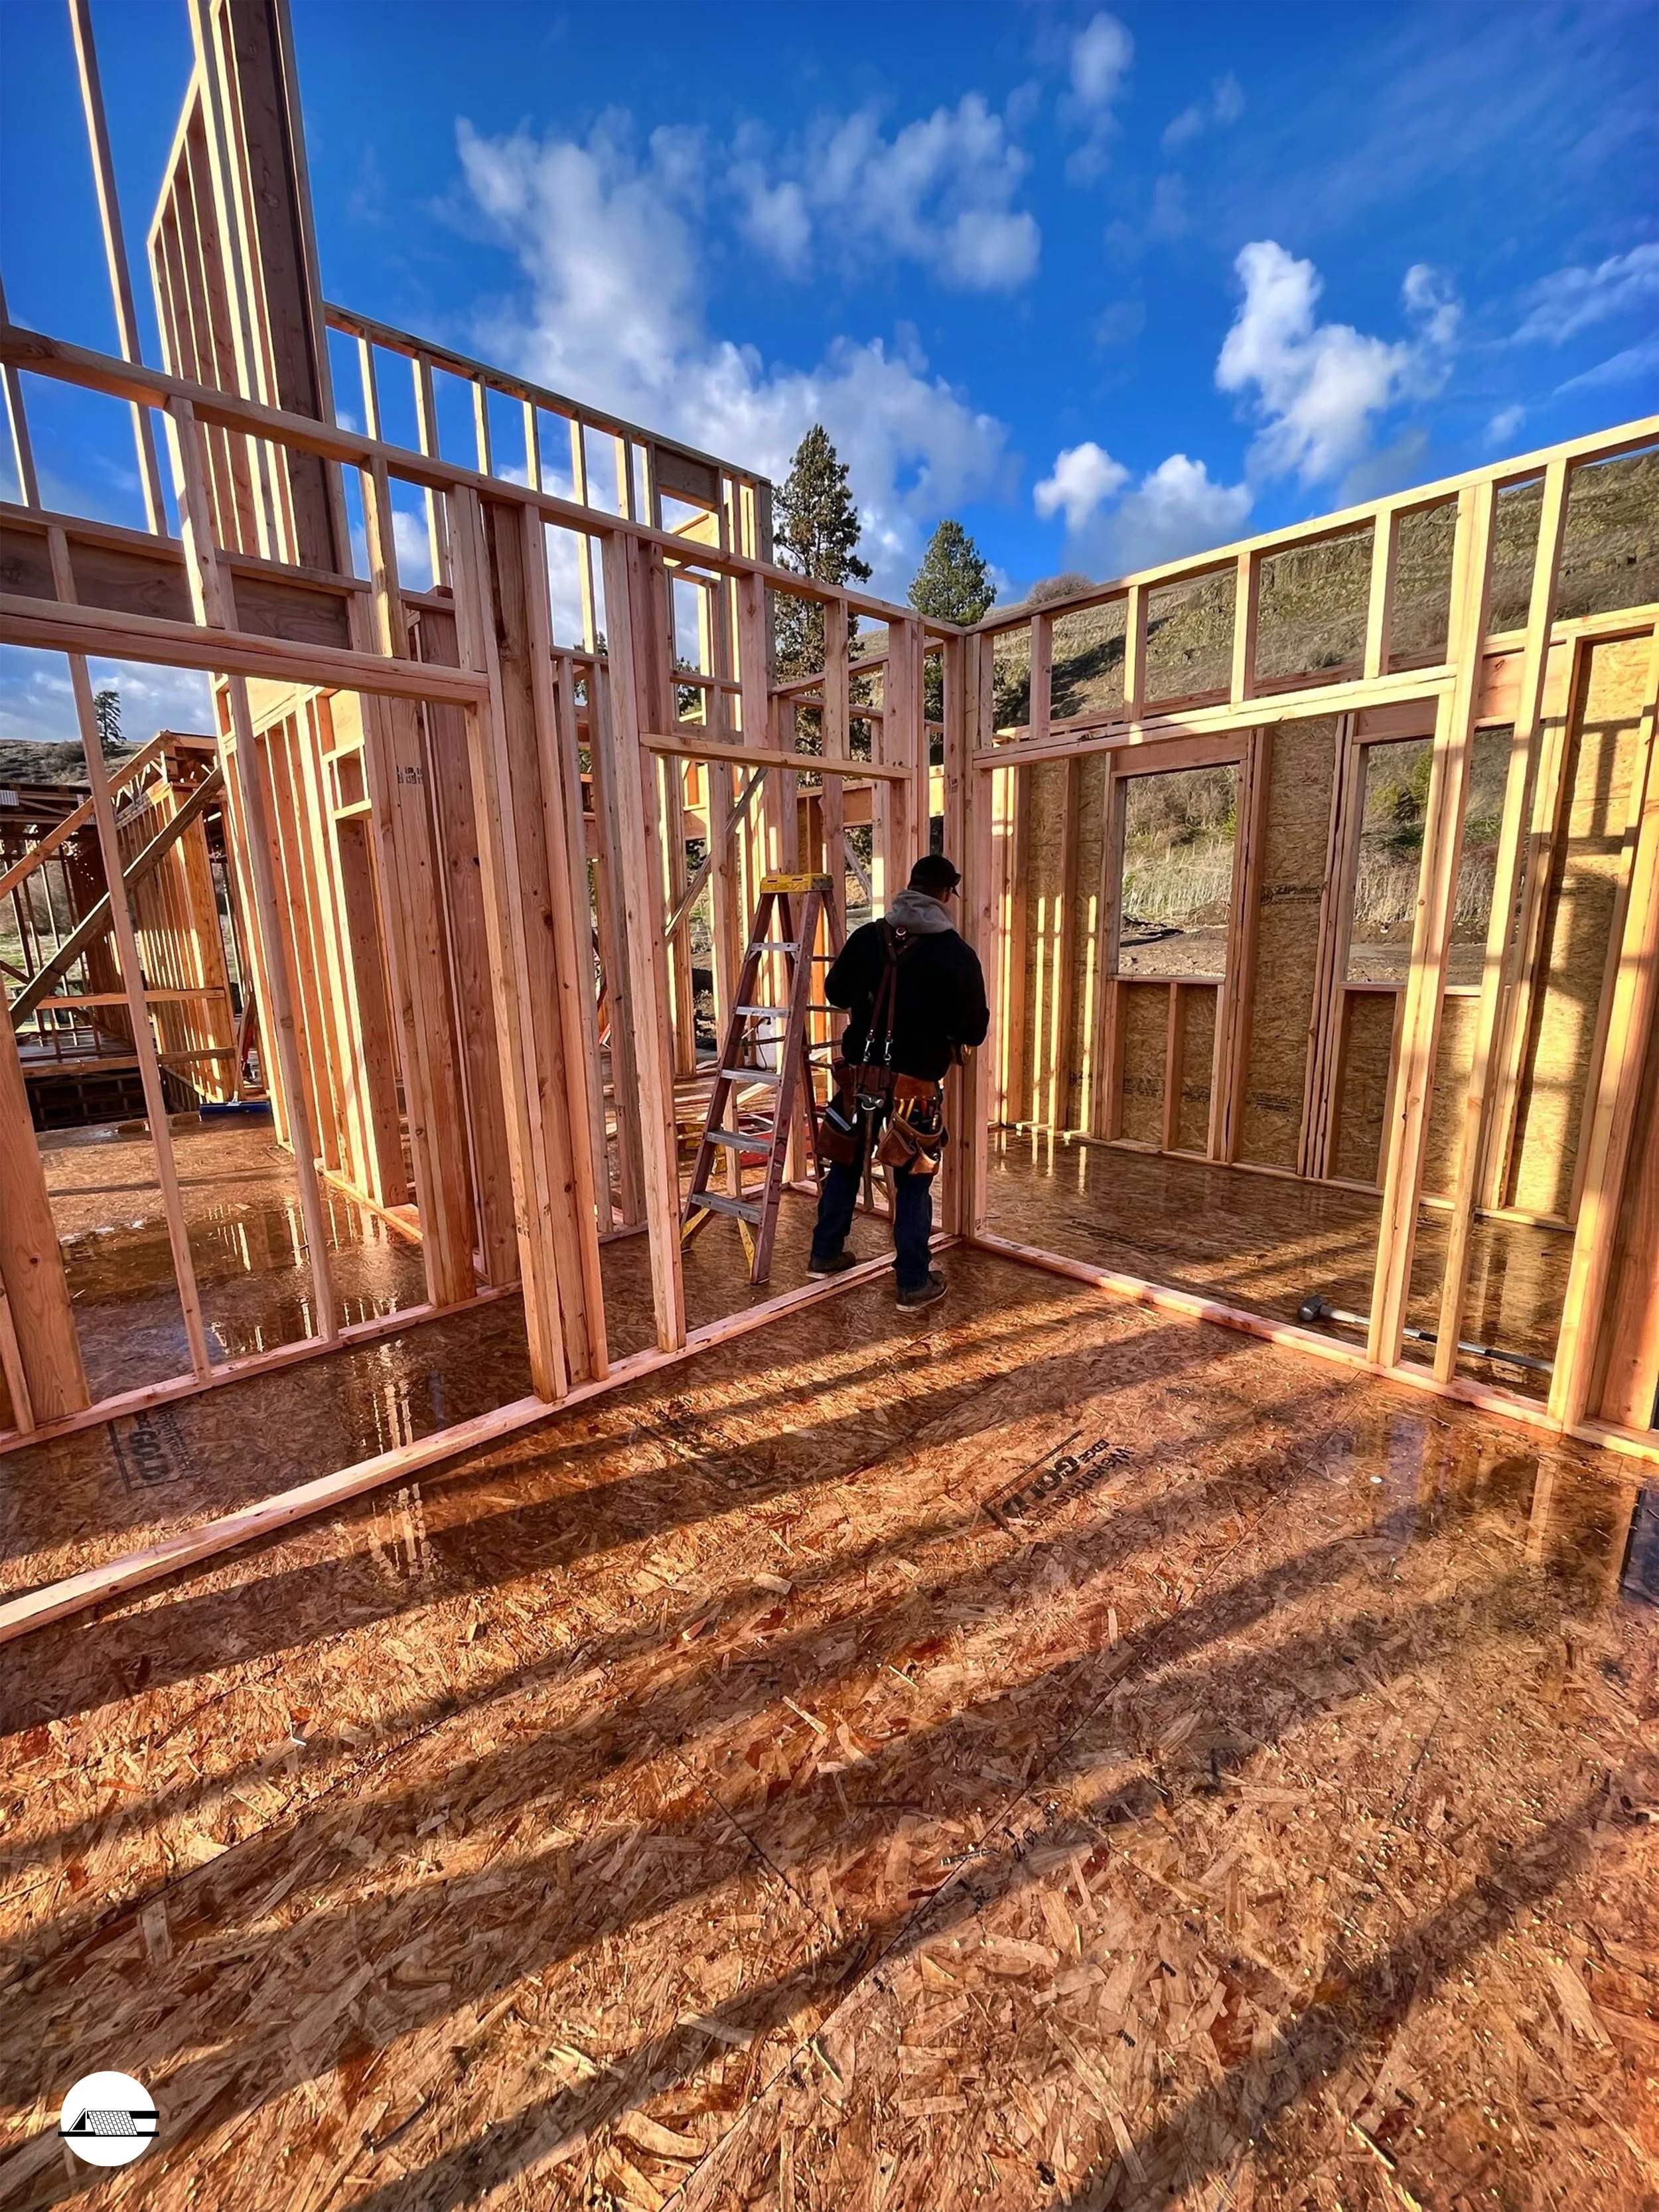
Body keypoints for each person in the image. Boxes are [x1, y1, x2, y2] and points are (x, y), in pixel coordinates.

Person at [808, 851, 989, 1309]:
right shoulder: (956, 953)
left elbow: (833, 991)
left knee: (847, 1161)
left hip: (860, 1076)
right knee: (912, 1178)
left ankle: (825, 1253)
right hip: (916, 1088)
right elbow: (973, 1030)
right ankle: (912, 1282)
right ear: (947, 894)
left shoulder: (870, 936)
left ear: (911, 886)